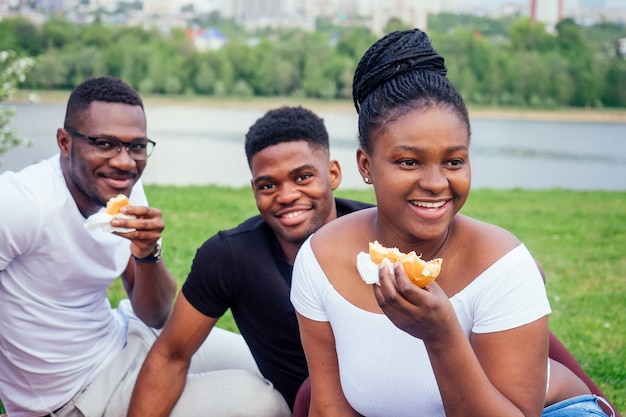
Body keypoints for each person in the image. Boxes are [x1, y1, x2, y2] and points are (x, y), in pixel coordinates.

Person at [290, 29, 617, 417]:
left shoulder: (504, 266)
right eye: (409, 162)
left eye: (454, 161)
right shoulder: (321, 260)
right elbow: (330, 409)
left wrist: (441, 335)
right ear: (366, 165)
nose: (435, 183)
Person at [127, 105, 372, 416]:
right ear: (254, 190)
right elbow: (171, 356)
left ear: (333, 174)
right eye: (268, 185)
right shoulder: (231, 257)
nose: (286, 195)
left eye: (303, 177)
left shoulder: (380, 236)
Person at [0, 76, 177, 416]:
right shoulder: (24, 202)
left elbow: (156, 314)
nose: (125, 162)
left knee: (256, 359)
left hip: (123, 339)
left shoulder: (123, 190)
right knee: (261, 402)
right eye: (105, 144)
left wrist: (147, 252)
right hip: (72, 397)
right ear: (65, 142)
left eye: (137, 146)